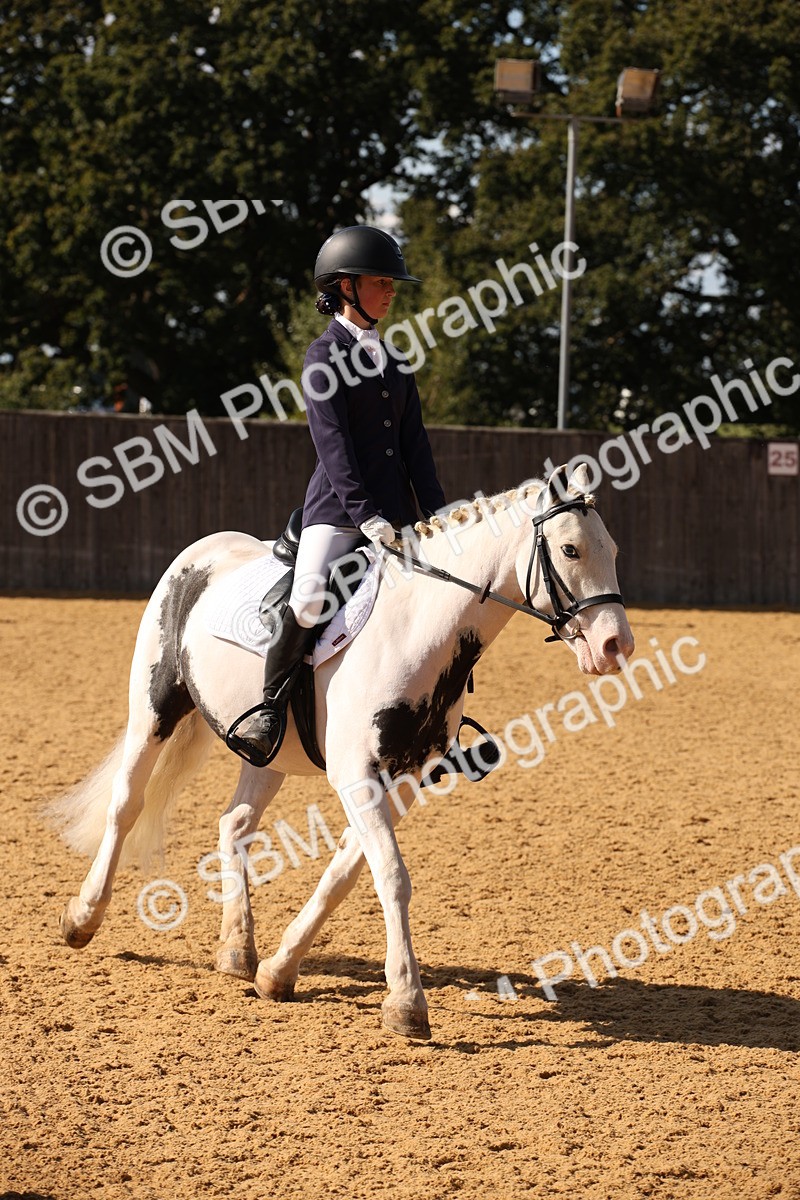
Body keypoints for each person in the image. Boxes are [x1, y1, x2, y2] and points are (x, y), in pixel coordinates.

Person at [235, 224, 446, 764]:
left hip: (396, 517)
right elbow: (335, 449)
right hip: (337, 513)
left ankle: (443, 723)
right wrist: (367, 516)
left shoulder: (397, 363)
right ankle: (268, 708)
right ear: (347, 287)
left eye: (393, 283)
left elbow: (416, 449)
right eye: (382, 281)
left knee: (443, 601)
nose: (392, 292)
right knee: (307, 600)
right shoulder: (322, 356)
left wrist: (443, 518)